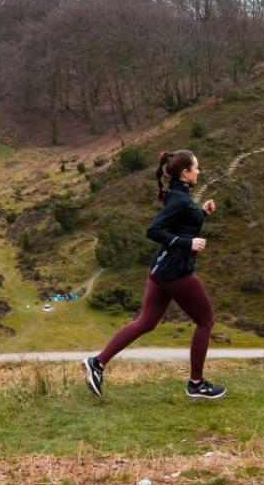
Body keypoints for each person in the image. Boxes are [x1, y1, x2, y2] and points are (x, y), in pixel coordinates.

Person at [83, 149, 226, 399]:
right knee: (205, 322)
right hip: (175, 272)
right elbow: (154, 230)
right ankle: (196, 383)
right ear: (185, 172)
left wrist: (202, 212)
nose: (199, 172)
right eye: (196, 168)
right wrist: (188, 243)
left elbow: (181, 221)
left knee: (146, 322)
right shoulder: (179, 199)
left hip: (160, 269)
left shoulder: (179, 194)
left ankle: (97, 362)